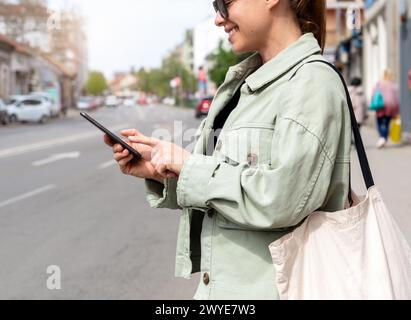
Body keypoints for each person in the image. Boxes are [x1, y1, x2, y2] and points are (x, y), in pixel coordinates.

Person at [104, 0, 351, 300]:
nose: (218, 20)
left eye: (224, 3)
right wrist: (162, 171)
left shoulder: (311, 81)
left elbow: (282, 199)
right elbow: (220, 186)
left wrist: (189, 165)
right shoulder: (241, 86)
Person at [371, 69, 400, 149]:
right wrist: (397, 110)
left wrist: (372, 101)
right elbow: (396, 98)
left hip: (380, 105)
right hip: (391, 105)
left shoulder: (379, 83)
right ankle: (384, 138)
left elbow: (374, 93)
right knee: (387, 123)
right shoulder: (394, 85)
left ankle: (382, 137)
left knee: (379, 122)